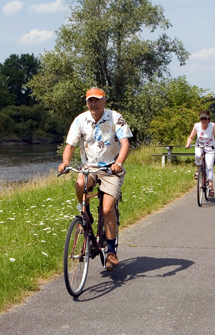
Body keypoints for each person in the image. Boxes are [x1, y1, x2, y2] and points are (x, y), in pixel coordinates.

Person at [58, 87, 132, 270]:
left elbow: (125, 144)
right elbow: (70, 145)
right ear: (86, 102)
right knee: (80, 182)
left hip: (110, 168)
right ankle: (86, 213)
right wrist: (65, 162)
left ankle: (111, 251)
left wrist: (119, 163)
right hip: (90, 167)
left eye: (97, 100)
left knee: (107, 210)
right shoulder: (80, 120)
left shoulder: (115, 118)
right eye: (90, 100)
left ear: (104, 101)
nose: (93, 104)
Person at [185, 110, 215, 197]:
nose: (203, 121)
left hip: (210, 147)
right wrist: (188, 144)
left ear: (208, 119)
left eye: (205, 119)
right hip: (199, 145)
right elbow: (191, 136)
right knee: (197, 156)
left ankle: (211, 187)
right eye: (202, 119)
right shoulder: (196, 126)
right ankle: (198, 170)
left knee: (209, 167)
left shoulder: (212, 126)